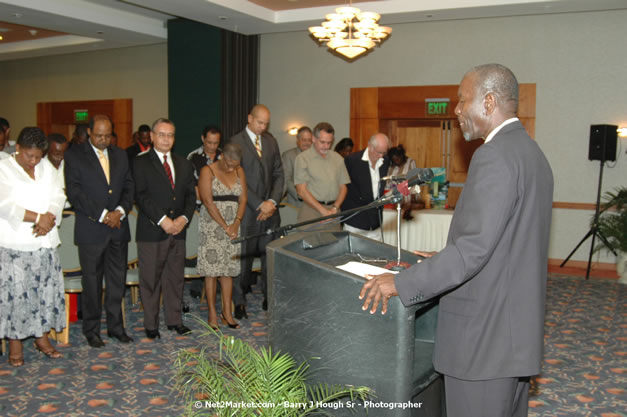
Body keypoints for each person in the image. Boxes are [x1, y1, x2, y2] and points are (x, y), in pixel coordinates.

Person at [359, 64, 554, 417]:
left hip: (482, 340)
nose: (457, 110)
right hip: (511, 335)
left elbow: (472, 252)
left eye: (463, 101)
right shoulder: (532, 154)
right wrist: (441, 256)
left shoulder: (494, 155)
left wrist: (400, 283)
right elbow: (506, 244)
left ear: (489, 102)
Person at [64, 114, 135, 348]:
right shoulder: (74, 155)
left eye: (107, 135)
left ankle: (116, 327)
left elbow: (128, 186)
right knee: (92, 283)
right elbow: (75, 193)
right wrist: (105, 214)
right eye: (99, 136)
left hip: (118, 228)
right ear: (89, 134)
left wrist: (120, 212)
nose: (104, 140)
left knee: (117, 281)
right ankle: (91, 330)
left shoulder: (120, 154)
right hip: (92, 229)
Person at [0, 127, 66, 367]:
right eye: (29, 156)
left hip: (45, 242)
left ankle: (42, 338)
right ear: (17, 148)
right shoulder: (3, 169)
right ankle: (15, 345)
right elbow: (4, 206)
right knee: (17, 296)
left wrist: (49, 216)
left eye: (38, 156)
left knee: (43, 293)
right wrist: (38, 218)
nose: (34, 161)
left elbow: (58, 195)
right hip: (15, 245)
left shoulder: (45, 167)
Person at [133, 118, 196, 339]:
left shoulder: (184, 164)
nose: (166, 139)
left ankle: (174, 320)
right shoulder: (140, 163)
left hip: (179, 231)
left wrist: (184, 219)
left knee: (175, 278)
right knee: (150, 279)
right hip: (152, 231)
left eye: (170, 135)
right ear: (151, 136)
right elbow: (141, 195)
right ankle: (151, 324)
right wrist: (163, 220)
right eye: (162, 134)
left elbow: (191, 195)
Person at [227, 104, 284, 318]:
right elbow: (235, 178)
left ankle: (269, 298)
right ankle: (239, 302)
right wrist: (259, 203)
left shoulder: (270, 141)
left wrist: (272, 201)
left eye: (266, 123)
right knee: (244, 259)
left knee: (270, 258)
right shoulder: (234, 142)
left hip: (271, 211)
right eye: (259, 122)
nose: (262, 127)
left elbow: (279, 173)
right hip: (248, 210)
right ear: (250, 118)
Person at [197, 143, 247, 329]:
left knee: (228, 271)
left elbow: (243, 199)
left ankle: (227, 312)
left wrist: (236, 223)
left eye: (235, 164)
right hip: (212, 226)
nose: (231, 168)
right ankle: (212, 313)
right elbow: (208, 202)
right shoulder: (207, 171)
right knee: (211, 272)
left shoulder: (239, 170)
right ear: (222, 156)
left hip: (234, 225)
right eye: (228, 164)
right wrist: (225, 226)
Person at [294, 122, 350, 231]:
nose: (326, 146)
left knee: (334, 246)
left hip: (333, 211)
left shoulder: (337, 158)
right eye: (322, 142)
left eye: (329, 143)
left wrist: (335, 207)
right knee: (310, 245)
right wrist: (323, 211)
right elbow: (301, 190)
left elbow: (343, 187)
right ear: (314, 139)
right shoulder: (303, 158)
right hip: (311, 211)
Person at [341, 132, 390, 240]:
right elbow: (343, 188)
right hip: (355, 222)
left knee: (377, 255)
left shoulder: (385, 161)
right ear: (370, 146)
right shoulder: (352, 161)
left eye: (384, 152)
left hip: (376, 222)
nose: (381, 156)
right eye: (379, 152)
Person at [281, 126, 313, 207]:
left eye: (309, 140)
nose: (306, 143)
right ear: (297, 140)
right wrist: (300, 195)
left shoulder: (316, 156)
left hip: (315, 204)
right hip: (296, 203)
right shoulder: (288, 155)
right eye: (304, 140)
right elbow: (286, 180)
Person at [386, 144, 417, 219]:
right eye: (394, 160)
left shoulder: (410, 162)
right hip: (393, 200)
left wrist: (413, 200)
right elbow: (387, 183)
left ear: (402, 156)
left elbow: (415, 181)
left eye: (398, 159)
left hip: (407, 199)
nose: (397, 162)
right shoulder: (391, 166)